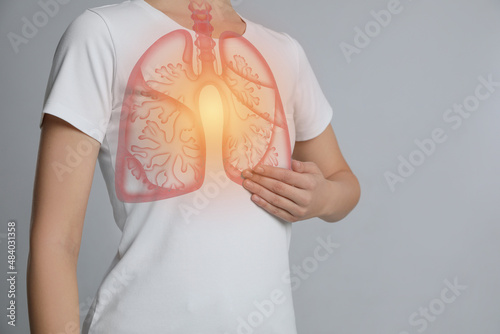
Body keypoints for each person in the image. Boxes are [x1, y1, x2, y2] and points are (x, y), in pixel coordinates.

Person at [27, 0, 361, 333]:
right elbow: (55, 242)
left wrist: (323, 198)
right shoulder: (102, 34)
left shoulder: (285, 53)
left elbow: (342, 182)